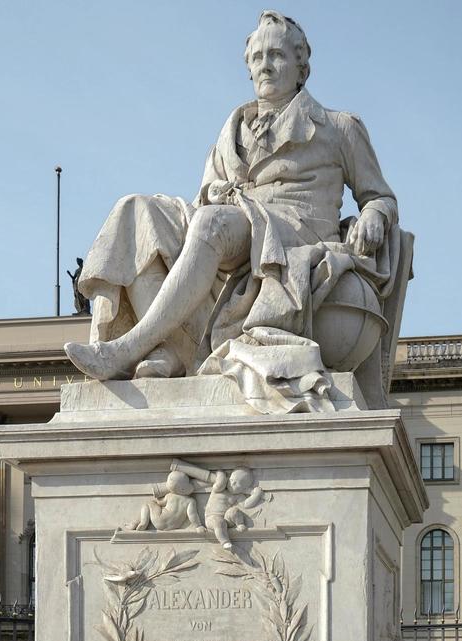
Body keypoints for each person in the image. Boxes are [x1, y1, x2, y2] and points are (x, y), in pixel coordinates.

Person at [65, 11, 399, 412]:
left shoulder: (338, 127)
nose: (265, 65)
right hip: (234, 222)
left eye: (276, 54)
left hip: (294, 231)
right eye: (257, 57)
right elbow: (205, 196)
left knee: (209, 223)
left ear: (301, 66)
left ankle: (127, 348)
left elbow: (379, 196)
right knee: (137, 212)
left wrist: (374, 216)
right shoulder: (232, 131)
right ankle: (171, 347)